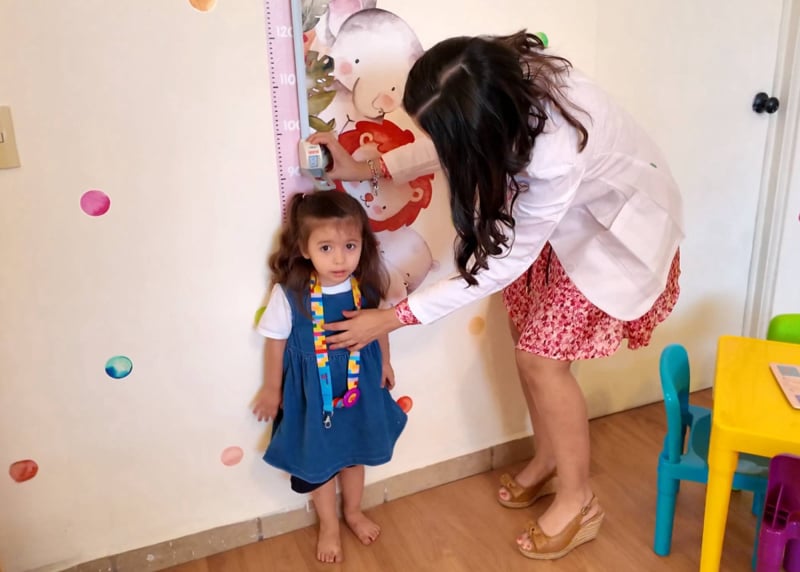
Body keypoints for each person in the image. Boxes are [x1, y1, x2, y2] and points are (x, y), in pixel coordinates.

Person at [308, 30, 682, 560]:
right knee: (523, 332)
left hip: (614, 230)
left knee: (540, 360)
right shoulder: (492, 77)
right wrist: (369, 167)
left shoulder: (554, 156)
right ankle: (549, 458)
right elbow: (451, 137)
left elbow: (498, 266)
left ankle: (578, 500)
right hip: (565, 222)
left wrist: (393, 318)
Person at [252, 191, 407, 563]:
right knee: (320, 462)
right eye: (326, 248)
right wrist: (272, 388)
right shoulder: (290, 295)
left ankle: (353, 512)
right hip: (312, 395)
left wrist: (385, 363)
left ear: (362, 245)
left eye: (350, 246)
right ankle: (329, 525)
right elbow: (275, 342)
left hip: (360, 388)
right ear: (303, 249)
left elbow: (380, 328)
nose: (340, 259)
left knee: (355, 455)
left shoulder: (366, 288)